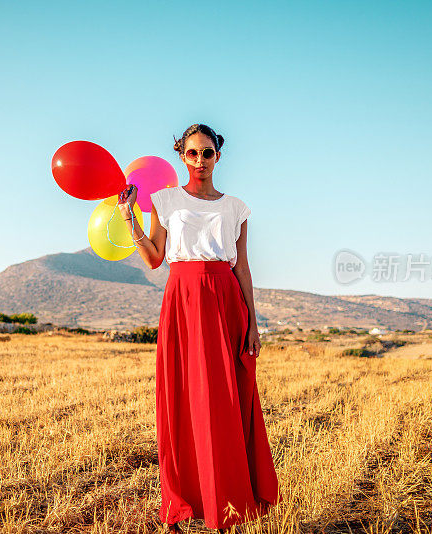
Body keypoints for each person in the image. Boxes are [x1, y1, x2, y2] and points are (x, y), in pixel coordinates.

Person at [117, 123, 281, 532]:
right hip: (183, 301)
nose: (200, 160)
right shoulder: (165, 201)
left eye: (207, 153)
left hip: (226, 303)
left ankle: (228, 501)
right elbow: (155, 258)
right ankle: (184, 500)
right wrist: (130, 221)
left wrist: (253, 323)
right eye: (192, 153)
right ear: (182, 156)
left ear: (218, 156)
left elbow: (242, 267)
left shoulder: (236, 208)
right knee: (182, 398)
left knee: (225, 400)